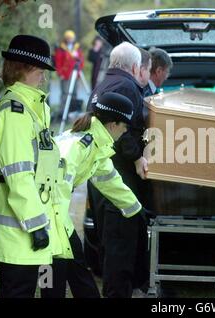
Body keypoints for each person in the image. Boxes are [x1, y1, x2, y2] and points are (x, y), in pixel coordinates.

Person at [0, 34, 69, 298]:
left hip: (29, 223)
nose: (44, 77)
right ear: (23, 68)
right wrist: (36, 226)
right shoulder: (15, 112)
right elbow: (19, 175)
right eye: (40, 70)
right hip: (21, 228)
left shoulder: (31, 107)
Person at [43, 93, 145, 298]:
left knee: (78, 270)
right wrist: (55, 227)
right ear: (113, 124)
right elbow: (56, 189)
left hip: (56, 215)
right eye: (125, 126)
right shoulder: (79, 147)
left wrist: (137, 212)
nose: (125, 131)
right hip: (48, 215)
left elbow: (111, 182)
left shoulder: (98, 146)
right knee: (54, 276)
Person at [86, 42, 152, 298]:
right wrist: (137, 158)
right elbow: (120, 131)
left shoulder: (103, 83)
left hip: (103, 175)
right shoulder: (126, 87)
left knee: (112, 242)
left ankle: (123, 289)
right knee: (119, 246)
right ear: (135, 67)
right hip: (117, 178)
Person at [54, 30, 84, 111]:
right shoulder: (61, 48)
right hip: (65, 74)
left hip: (75, 74)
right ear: (65, 38)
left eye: (71, 38)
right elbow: (58, 62)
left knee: (74, 93)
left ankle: (73, 111)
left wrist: (78, 72)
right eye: (68, 38)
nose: (70, 39)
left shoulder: (77, 48)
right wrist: (60, 74)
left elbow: (81, 60)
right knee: (65, 93)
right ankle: (63, 112)